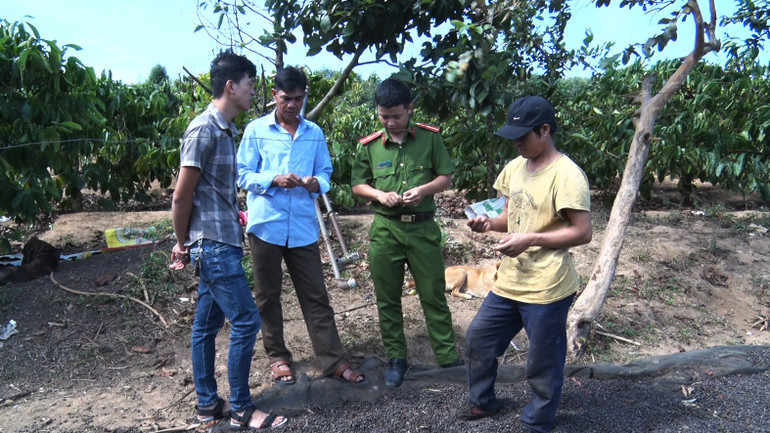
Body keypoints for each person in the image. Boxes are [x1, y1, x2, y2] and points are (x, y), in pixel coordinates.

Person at [460, 95, 593, 433]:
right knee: (479, 338)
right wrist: (488, 224)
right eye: (513, 136)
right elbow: (510, 215)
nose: (517, 142)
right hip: (510, 280)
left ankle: (538, 420)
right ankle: (482, 402)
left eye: (523, 136)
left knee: (543, 360)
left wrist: (529, 239)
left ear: (545, 130)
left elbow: (582, 232)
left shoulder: (566, 175)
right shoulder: (515, 168)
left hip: (547, 286)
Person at [170, 52, 287, 430]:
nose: (255, 92)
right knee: (246, 320)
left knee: (205, 327)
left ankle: (207, 405)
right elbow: (181, 195)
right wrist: (181, 242)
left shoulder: (225, 130)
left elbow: (207, 193)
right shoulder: (203, 129)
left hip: (219, 239)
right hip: (214, 245)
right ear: (230, 86)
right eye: (251, 85)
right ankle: (241, 408)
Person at [237, 66, 365, 386]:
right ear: (274, 96)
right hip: (267, 225)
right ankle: (278, 356)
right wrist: (273, 179)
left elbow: (325, 173)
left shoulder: (314, 133)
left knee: (315, 294)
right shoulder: (256, 130)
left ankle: (332, 359)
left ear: (304, 96)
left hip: (304, 228)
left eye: (298, 98)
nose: (292, 105)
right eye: (286, 99)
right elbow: (241, 175)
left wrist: (314, 184)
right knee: (267, 295)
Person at [351, 78, 462, 388]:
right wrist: (378, 195)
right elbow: (357, 185)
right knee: (388, 299)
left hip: (423, 228)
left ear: (410, 109)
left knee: (433, 293)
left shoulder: (429, 139)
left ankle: (447, 356)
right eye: (384, 116)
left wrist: (423, 189)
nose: (390, 122)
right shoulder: (370, 146)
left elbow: (446, 176)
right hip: (385, 230)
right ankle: (397, 358)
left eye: (397, 116)